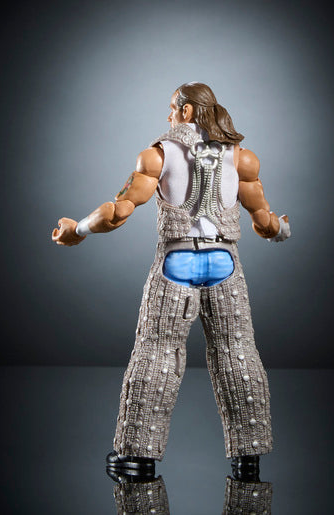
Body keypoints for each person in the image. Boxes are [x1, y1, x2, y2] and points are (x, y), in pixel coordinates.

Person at [52, 82, 290, 481]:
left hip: (176, 261)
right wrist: (282, 229)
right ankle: (249, 459)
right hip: (224, 262)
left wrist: (77, 229)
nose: (168, 115)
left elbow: (117, 212)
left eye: (171, 108)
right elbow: (264, 221)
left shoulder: (157, 155)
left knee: (157, 351)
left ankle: (136, 458)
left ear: (186, 111)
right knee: (237, 352)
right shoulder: (243, 158)